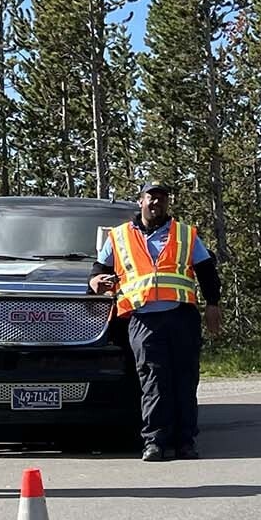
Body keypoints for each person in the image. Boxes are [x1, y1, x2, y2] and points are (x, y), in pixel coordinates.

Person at [89, 182, 222, 462]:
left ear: (167, 203)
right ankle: (155, 442)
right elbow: (99, 271)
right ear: (140, 201)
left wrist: (213, 305)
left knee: (185, 380)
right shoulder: (119, 236)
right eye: (151, 198)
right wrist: (95, 282)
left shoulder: (184, 235)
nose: (156, 203)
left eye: (161, 199)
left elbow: (206, 270)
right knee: (154, 381)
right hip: (143, 319)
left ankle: (185, 441)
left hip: (181, 316)